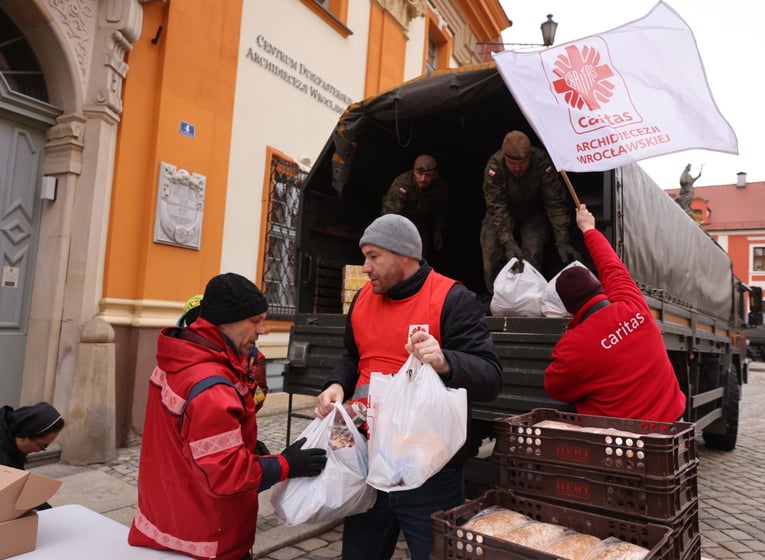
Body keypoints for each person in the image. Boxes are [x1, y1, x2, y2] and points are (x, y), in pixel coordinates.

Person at [314, 214, 502, 560]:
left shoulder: (452, 298)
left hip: (430, 470)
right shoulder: (362, 300)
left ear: (404, 255)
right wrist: (337, 384)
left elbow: (490, 377)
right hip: (368, 462)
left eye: (373, 256)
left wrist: (445, 361)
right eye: (364, 257)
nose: (365, 268)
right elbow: (353, 357)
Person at [129, 273, 327, 560]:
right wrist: (286, 465)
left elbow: (182, 437)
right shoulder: (213, 386)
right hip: (207, 536)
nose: (262, 330)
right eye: (255, 320)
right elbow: (228, 474)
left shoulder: (180, 358)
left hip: (165, 517)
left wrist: (245, 445)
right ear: (226, 321)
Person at [544, 204, 686, 423]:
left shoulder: (573, 346)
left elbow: (554, 388)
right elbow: (611, 266)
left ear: (568, 308)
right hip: (670, 426)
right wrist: (588, 229)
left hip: (620, 443)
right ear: (598, 287)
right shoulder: (632, 304)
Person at [480, 130, 579, 294]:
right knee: (491, 255)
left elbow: (554, 202)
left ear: (530, 155)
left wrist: (563, 240)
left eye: (523, 163)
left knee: (532, 250)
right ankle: (496, 299)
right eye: (513, 163)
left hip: (532, 211)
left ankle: (529, 297)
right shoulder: (494, 167)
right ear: (505, 157)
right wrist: (508, 242)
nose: (518, 168)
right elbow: (496, 207)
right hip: (502, 214)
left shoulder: (541, 161)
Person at [381, 154, 450, 257]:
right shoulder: (402, 183)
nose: (423, 179)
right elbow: (390, 211)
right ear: (414, 171)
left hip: (421, 223)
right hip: (400, 220)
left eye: (428, 175)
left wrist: (438, 230)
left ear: (435, 175)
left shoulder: (440, 188)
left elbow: (441, 210)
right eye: (419, 173)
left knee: (418, 257)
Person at [0, 402, 64, 510]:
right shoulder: (3, 459)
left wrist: (51, 511)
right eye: (42, 446)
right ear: (24, 437)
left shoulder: (12, 444)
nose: (40, 451)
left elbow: (20, 490)